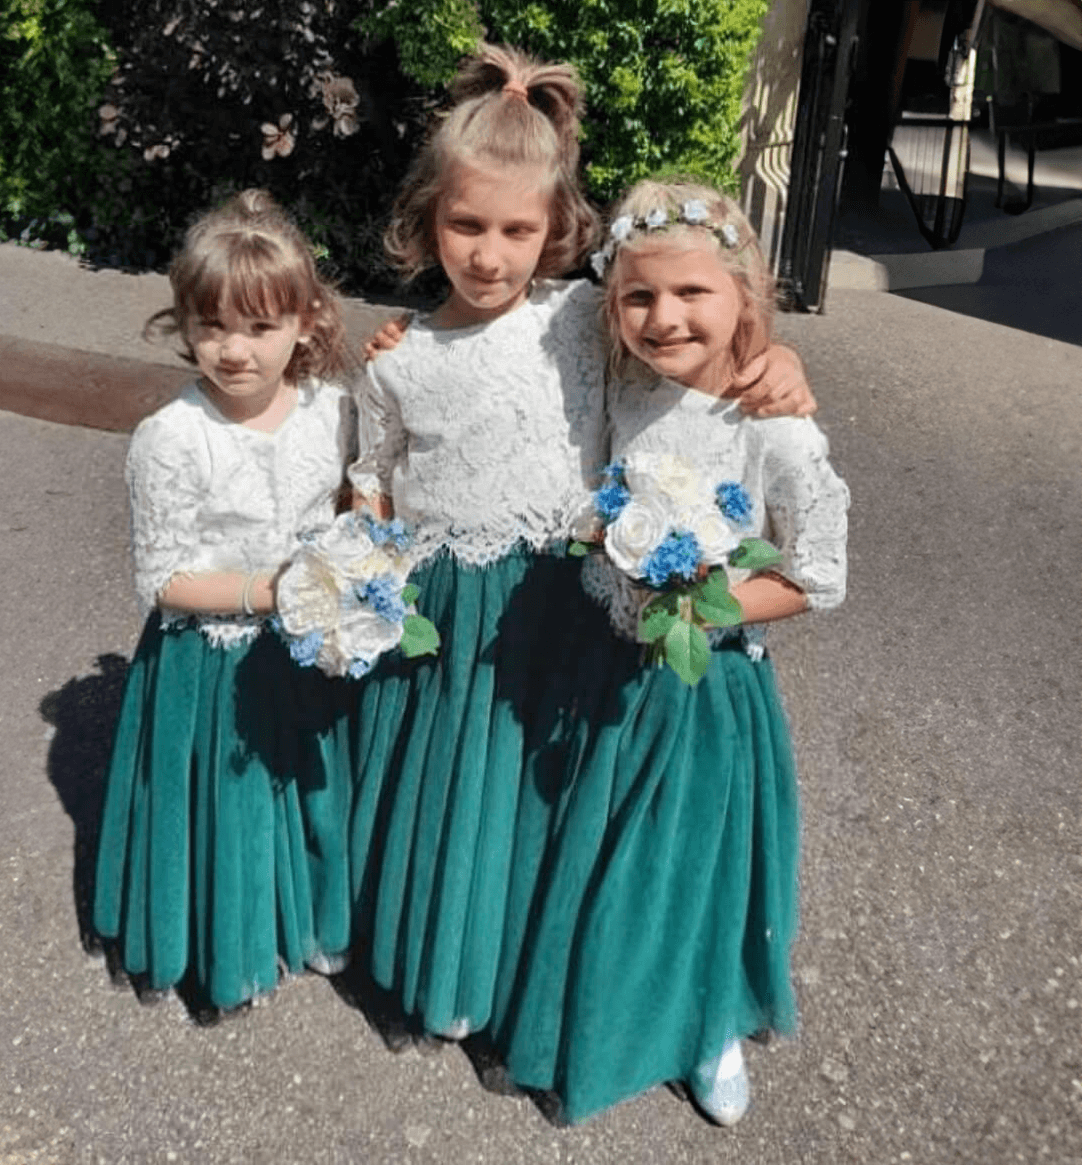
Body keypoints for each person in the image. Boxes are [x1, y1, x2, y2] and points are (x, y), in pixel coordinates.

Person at [347, 45, 815, 1053]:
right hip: (455, 598)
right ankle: (450, 964)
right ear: (424, 221)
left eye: (517, 229)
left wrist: (775, 354)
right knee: (455, 780)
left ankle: (529, 968)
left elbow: (688, 307)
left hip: (565, 591)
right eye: (465, 224)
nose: (487, 252)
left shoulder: (578, 318)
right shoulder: (399, 358)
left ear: (554, 231)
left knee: (537, 794)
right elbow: (372, 471)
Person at [491, 178, 850, 1125]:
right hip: (601, 658)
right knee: (598, 841)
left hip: (702, 679)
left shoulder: (772, 421)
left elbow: (818, 573)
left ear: (746, 295)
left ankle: (707, 1021)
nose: (664, 316)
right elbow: (503, 293)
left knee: (692, 862)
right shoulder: (625, 382)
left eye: (694, 293)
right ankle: (592, 995)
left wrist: (700, 597)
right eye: (640, 297)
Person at [92, 189, 356, 1013]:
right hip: (209, 656)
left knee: (308, 786)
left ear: (305, 322)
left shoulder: (331, 409)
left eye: (259, 327)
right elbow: (162, 579)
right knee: (231, 801)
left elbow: (353, 503)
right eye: (211, 327)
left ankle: (310, 916)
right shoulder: (171, 438)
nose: (233, 350)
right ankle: (228, 934)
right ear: (183, 325)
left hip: (305, 644)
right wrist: (266, 593)